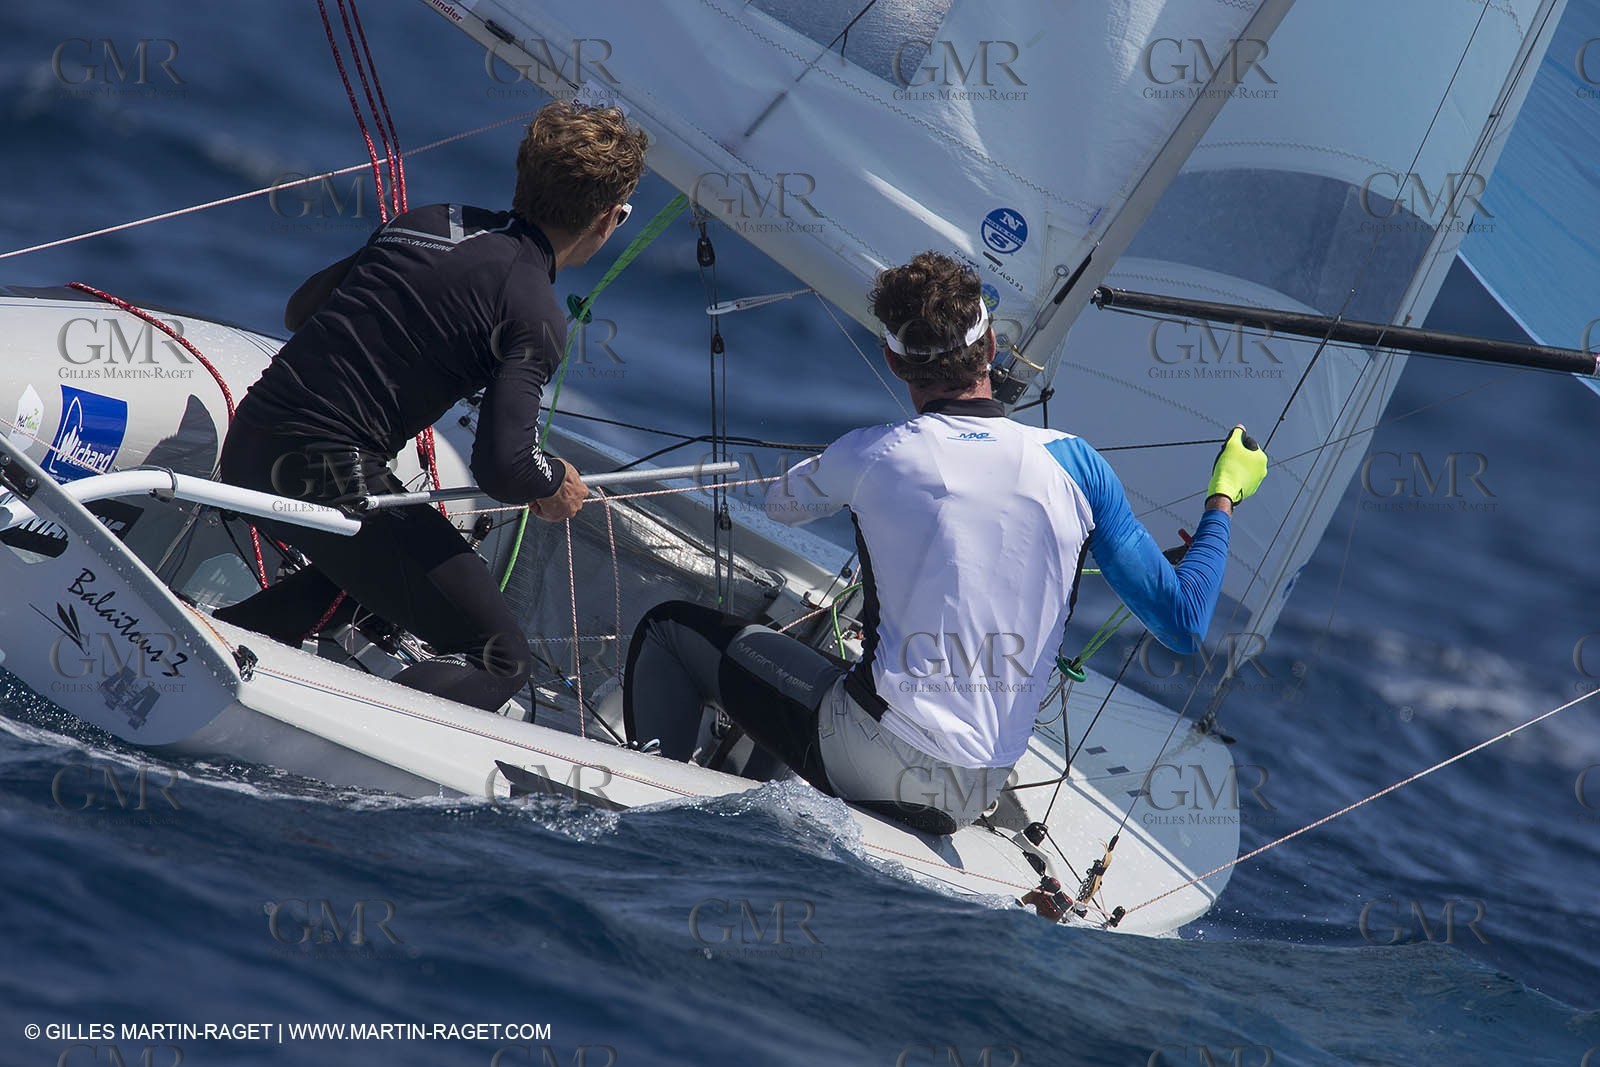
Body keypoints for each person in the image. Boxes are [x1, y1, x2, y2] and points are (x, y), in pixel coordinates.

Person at [622, 251, 1267, 833]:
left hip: (872, 758)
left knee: (672, 631)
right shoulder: (1078, 466)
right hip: (976, 789)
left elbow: (781, 503)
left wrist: (852, 467)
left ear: (895, 361)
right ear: (991, 347)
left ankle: (658, 827)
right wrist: (1223, 498)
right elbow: (1185, 623)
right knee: (821, 677)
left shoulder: (874, 454)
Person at [214, 101, 648, 713]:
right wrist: (552, 479)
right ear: (608, 219)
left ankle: (228, 637)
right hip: (327, 478)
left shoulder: (432, 220)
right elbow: (504, 468)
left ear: (524, 177)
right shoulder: (534, 313)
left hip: (253, 441)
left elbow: (301, 312)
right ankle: (341, 750)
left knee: (380, 571)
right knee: (500, 656)